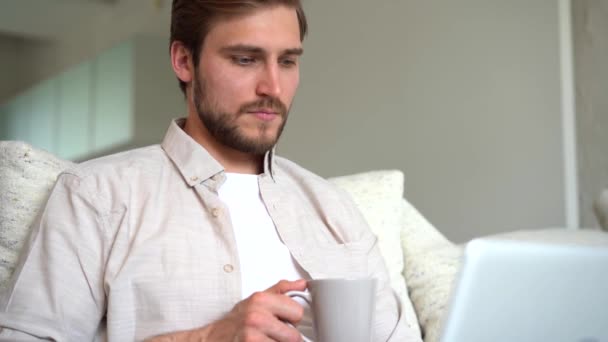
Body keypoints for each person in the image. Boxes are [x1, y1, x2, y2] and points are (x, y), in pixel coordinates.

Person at [0, 1, 421, 341]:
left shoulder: (333, 207)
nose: (272, 87)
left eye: (288, 62)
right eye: (245, 59)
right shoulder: (96, 196)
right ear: (184, 61)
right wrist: (209, 337)